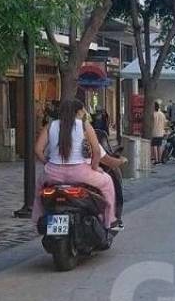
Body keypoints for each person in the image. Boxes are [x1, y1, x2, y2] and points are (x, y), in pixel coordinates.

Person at [33, 98, 116, 229]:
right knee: (108, 182)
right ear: (77, 112)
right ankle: (109, 220)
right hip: (80, 173)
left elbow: (38, 150)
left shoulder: (50, 126)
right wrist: (95, 167)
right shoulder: (84, 126)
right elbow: (96, 151)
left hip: (53, 173)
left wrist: (47, 163)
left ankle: (38, 218)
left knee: (39, 188)